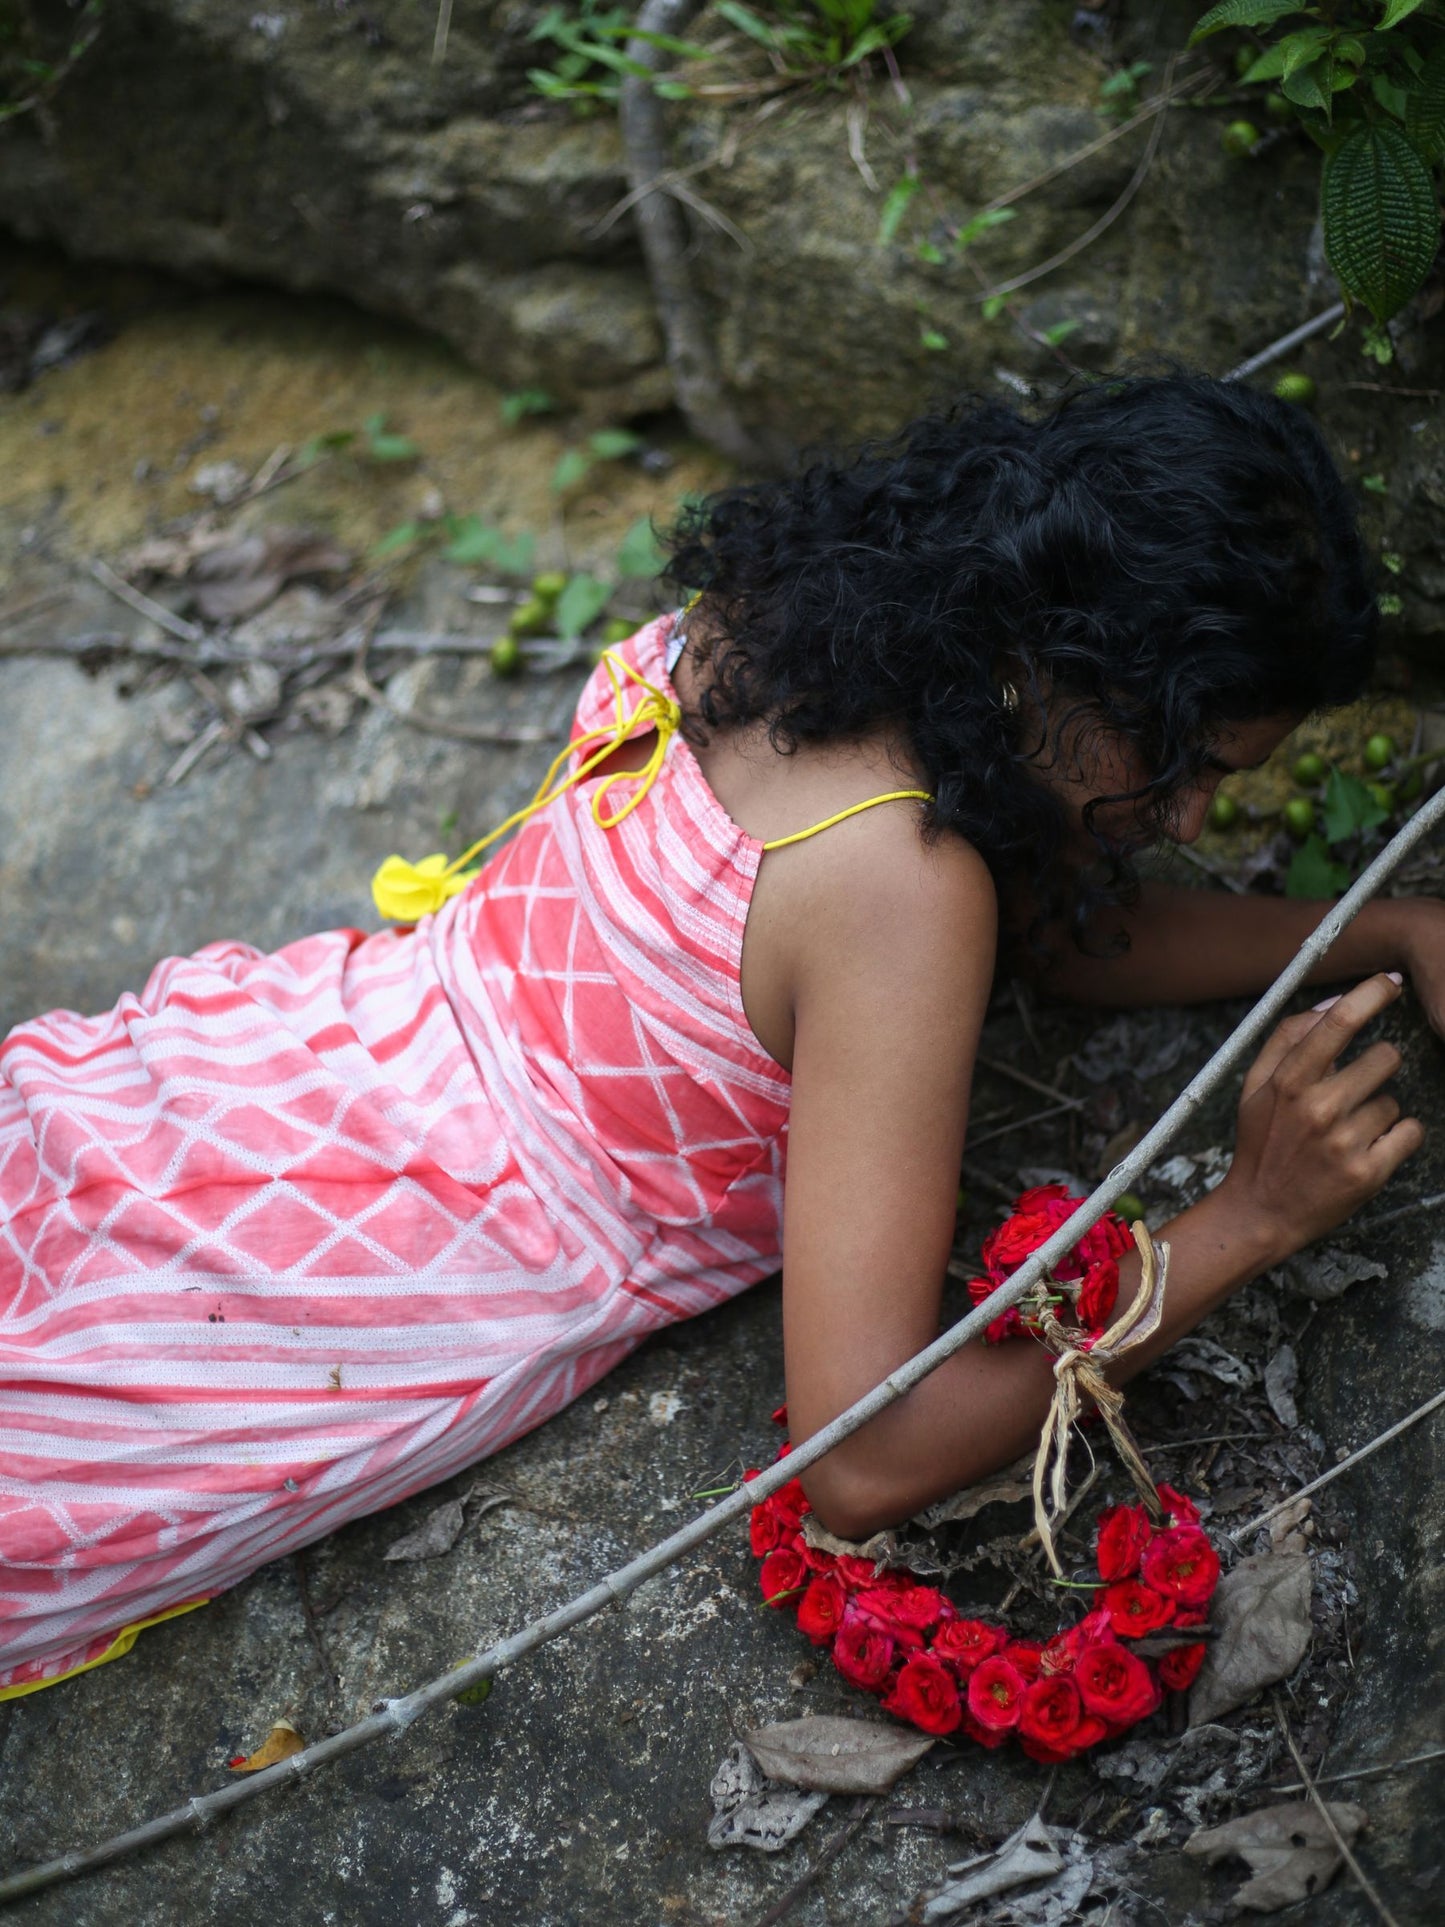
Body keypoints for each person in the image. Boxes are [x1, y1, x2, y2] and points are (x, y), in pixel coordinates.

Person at [0, 373, 1436, 1699]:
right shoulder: (896, 893)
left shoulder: (805, 618)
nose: (1189, 821)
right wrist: (1247, 1215)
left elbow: (1060, 932)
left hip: (290, 1065)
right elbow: (861, 1456)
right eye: (1182, 765)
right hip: (375, 1258)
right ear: (1066, 661)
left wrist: (1385, 926)